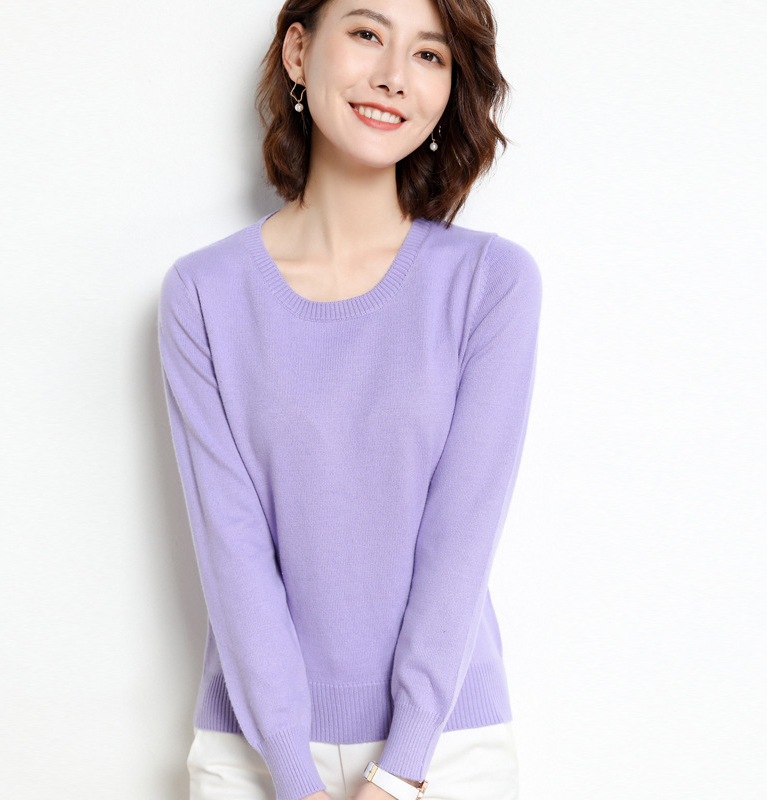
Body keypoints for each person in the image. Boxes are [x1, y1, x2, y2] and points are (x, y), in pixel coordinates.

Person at [157, 1, 542, 799]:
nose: (394, 76)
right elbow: (232, 550)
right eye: (368, 34)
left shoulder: (490, 283)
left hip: (443, 749)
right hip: (253, 753)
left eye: (430, 55)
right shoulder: (203, 294)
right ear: (299, 52)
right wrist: (294, 777)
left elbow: (460, 541)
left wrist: (399, 772)